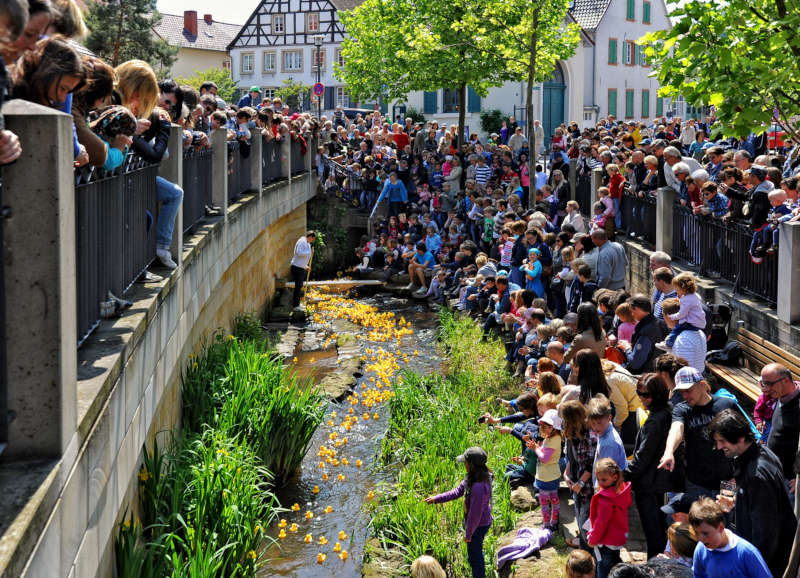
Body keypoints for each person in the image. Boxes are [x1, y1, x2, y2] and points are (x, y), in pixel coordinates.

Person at [709, 408, 797, 576]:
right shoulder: (763, 453)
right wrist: (736, 502)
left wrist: (751, 568)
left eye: (723, 441)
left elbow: (765, 533)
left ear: (741, 437)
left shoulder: (756, 476)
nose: (719, 447)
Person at [658, 367, 737, 499]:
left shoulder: (726, 404)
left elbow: (744, 438)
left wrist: (737, 477)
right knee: (699, 518)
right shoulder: (682, 409)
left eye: (688, 391)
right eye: (681, 392)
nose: (685, 396)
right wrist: (669, 451)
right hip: (697, 482)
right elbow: (677, 428)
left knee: (724, 519)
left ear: (702, 385)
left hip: (727, 481)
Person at [624, 374, 675, 558]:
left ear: (658, 395)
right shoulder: (667, 412)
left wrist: (624, 475)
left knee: (653, 533)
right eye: (639, 393)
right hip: (660, 481)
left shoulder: (655, 421)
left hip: (650, 483)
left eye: (646, 395)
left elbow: (643, 457)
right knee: (659, 531)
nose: (641, 398)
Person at [425, 447, 493, 578]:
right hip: (476, 524)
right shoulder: (473, 477)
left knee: (475, 558)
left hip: (478, 526)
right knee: (474, 553)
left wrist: (468, 534)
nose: (464, 465)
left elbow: (475, 515)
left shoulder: (479, 486)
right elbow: (457, 492)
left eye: (466, 462)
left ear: (471, 465)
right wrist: (436, 498)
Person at [688, 498, 772, 578]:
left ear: (720, 527)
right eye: (696, 532)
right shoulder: (700, 549)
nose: (700, 538)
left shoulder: (746, 552)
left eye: (705, 533)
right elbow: (698, 575)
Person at [587, 458, 632, 578]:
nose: (600, 483)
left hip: (606, 540)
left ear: (615, 477)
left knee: (603, 568)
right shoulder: (621, 492)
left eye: (604, 480)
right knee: (615, 562)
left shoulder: (605, 499)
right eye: (598, 479)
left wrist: (593, 539)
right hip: (617, 538)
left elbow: (601, 523)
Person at [562, 400, 597, 551]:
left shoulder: (590, 435)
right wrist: (566, 473)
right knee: (579, 516)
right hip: (575, 483)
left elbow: (591, 464)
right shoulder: (570, 432)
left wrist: (580, 483)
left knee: (585, 522)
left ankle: (588, 556)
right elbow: (571, 457)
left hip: (587, 488)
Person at [764, 363, 800, 497]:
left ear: (785, 380)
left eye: (769, 384)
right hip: (776, 471)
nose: (765, 389)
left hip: (790, 480)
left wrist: (799, 478)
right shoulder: (782, 396)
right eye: (763, 384)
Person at [529, 409, 563, 530]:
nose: (543, 428)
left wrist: (536, 449)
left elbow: (544, 458)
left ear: (554, 427)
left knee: (544, 502)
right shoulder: (553, 437)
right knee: (554, 499)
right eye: (542, 425)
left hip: (546, 477)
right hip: (551, 475)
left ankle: (548, 524)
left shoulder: (553, 440)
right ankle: (554, 522)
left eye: (546, 426)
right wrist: (538, 447)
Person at [659, 272, 705, 349]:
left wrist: (672, 317)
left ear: (683, 288)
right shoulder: (695, 295)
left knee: (677, 329)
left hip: (692, 322)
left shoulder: (685, 299)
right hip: (699, 322)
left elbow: (682, 314)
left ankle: (668, 344)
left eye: (677, 289)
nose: (676, 292)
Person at [620, 295, 664, 374]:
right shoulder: (661, 323)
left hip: (645, 375)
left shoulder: (646, 331)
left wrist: (626, 348)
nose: (632, 314)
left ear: (636, 309)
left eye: (632, 311)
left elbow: (635, 363)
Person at [289, 230, 316, 308]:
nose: (312, 241)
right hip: (296, 267)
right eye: (312, 239)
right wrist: (309, 252)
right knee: (298, 286)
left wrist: (306, 266)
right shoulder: (302, 241)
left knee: (299, 286)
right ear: (310, 237)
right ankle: (296, 305)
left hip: (300, 267)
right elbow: (299, 252)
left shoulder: (307, 243)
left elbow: (303, 258)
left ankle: (297, 304)